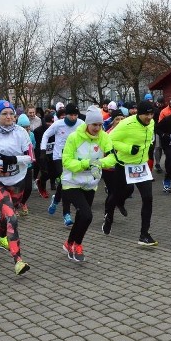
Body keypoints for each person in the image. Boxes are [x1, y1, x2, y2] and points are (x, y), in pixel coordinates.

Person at [0, 100, 34, 275]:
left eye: (11, 113)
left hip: (18, 182)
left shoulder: (21, 133)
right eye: (4, 114)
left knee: (6, 217)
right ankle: (18, 261)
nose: (9, 116)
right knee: (12, 218)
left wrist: (14, 160)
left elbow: (30, 158)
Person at [61, 106, 116, 261]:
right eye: (94, 125)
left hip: (90, 183)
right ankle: (77, 245)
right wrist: (87, 164)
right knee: (87, 215)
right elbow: (67, 161)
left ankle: (69, 242)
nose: (97, 128)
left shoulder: (104, 137)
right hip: (71, 182)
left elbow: (112, 158)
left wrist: (98, 163)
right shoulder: (74, 137)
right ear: (87, 124)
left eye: (100, 125)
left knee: (81, 217)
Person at [102, 101, 158, 246]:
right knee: (116, 194)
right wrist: (128, 148)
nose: (149, 117)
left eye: (151, 114)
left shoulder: (151, 123)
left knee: (148, 198)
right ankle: (108, 216)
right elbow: (110, 140)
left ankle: (144, 235)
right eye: (146, 114)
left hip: (141, 166)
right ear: (138, 113)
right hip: (124, 165)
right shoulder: (126, 124)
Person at [41, 103, 84, 227]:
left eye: (75, 115)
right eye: (71, 115)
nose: (73, 117)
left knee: (65, 183)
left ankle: (55, 200)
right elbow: (46, 135)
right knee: (66, 182)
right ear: (66, 114)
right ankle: (66, 214)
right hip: (59, 157)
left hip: (73, 157)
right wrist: (43, 150)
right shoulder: (58, 124)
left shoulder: (81, 123)